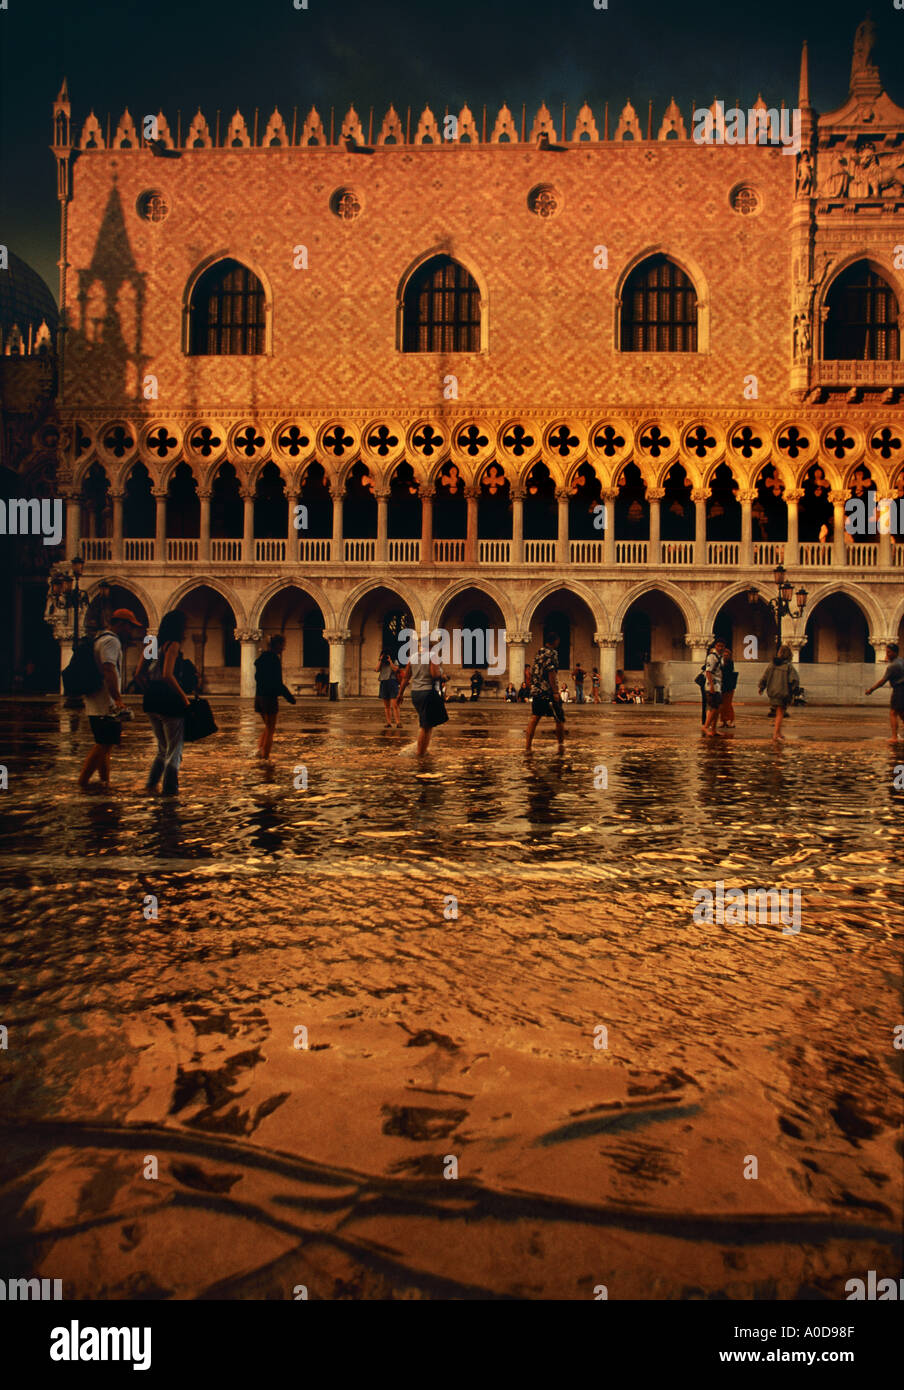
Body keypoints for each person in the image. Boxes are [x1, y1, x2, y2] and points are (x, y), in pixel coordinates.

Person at [77, 608, 144, 791]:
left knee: (106, 744)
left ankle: (104, 781)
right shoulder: (111, 642)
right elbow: (109, 669)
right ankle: (83, 781)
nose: (131, 632)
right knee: (103, 744)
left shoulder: (100, 639)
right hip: (105, 702)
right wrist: (117, 699)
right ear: (121, 624)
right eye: (130, 627)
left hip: (96, 701)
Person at [138, 609, 191, 795]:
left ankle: (151, 785)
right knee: (174, 749)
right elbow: (167, 674)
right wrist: (184, 697)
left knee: (162, 748)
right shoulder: (173, 645)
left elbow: (138, 674)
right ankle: (170, 790)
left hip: (151, 700)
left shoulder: (151, 642)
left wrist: (150, 691)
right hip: (169, 701)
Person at [254, 634, 296, 759]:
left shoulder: (262, 658)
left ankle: (259, 751)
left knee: (267, 727)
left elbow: (257, 678)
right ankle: (265, 756)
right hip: (269, 697)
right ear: (277, 645)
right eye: (282, 645)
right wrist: (289, 697)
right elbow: (277, 682)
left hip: (259, 697)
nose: (283, 648)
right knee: (271, 728)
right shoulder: (274, 659)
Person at [405, 635, 447, 756]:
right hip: (427, 692)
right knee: (426, 725)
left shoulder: (412, 657)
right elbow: (434, 674)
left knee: (428, 724)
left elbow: (406, 677)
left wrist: (400, 694)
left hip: (415, 693)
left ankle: (423, 750)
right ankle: (420, 752)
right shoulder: (432, 656)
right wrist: (442, 676)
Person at [525, 629, 566, 752]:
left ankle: (528, 746)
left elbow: (533, 672)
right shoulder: (551, 654)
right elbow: (551, 673)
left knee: (535, 717)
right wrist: (555, 692)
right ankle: (561, 745)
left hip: (537, 690)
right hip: (547, 692)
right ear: (555, 641)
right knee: (559, 718)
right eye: (558, 641)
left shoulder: (540, 652)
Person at [757, 644, 800, 742]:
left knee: (778, 713)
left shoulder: (772, 664)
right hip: (783, 693)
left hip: (773, 692)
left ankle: (778, 732)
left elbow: (765, 676)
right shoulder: (788, 666)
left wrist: (761, 687)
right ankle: (776, 734)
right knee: (780, 714)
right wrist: (794, 690)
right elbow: (794, 680)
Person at [866, 642, 904, 742]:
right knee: (901, 713)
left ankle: (894, 737)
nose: (887, 655)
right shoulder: (901, 661)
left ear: (895, 653)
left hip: (899, 690)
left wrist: (871, 689)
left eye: (889, 652)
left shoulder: (893, 666)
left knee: (893, 713)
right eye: (887, 652)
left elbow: (883, 681)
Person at [702, 638, 726, 737]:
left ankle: (714, 729)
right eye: (718, 645)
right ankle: (705, 727)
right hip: (711, 686)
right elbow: (708, 672)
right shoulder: (712, 657)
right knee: (713, 708)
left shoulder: (721, 657)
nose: (720, 648)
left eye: (722, 646)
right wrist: (711, 686)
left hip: (718, 685)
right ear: (715, 646)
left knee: (718, 708)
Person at [376, 649, 399, 727]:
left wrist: (390, 661)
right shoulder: (381, 662)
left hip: (392, 682)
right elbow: (376, 669)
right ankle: (389, 723)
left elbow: (396, 669)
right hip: (384, 682)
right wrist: (380, 660)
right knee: (386, 706)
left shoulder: (394, 661)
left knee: (395, 705)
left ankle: (398, 722)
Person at [719, 645, 738, 729]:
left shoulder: (729, 664)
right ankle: (724, 721)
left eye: (726, 655)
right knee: (722, 705)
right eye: (724, 655)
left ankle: (731, 720)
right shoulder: (722, 663)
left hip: (728, 687)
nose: (725, 656)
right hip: (722, 686)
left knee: (728, 704)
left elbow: (726, 673)